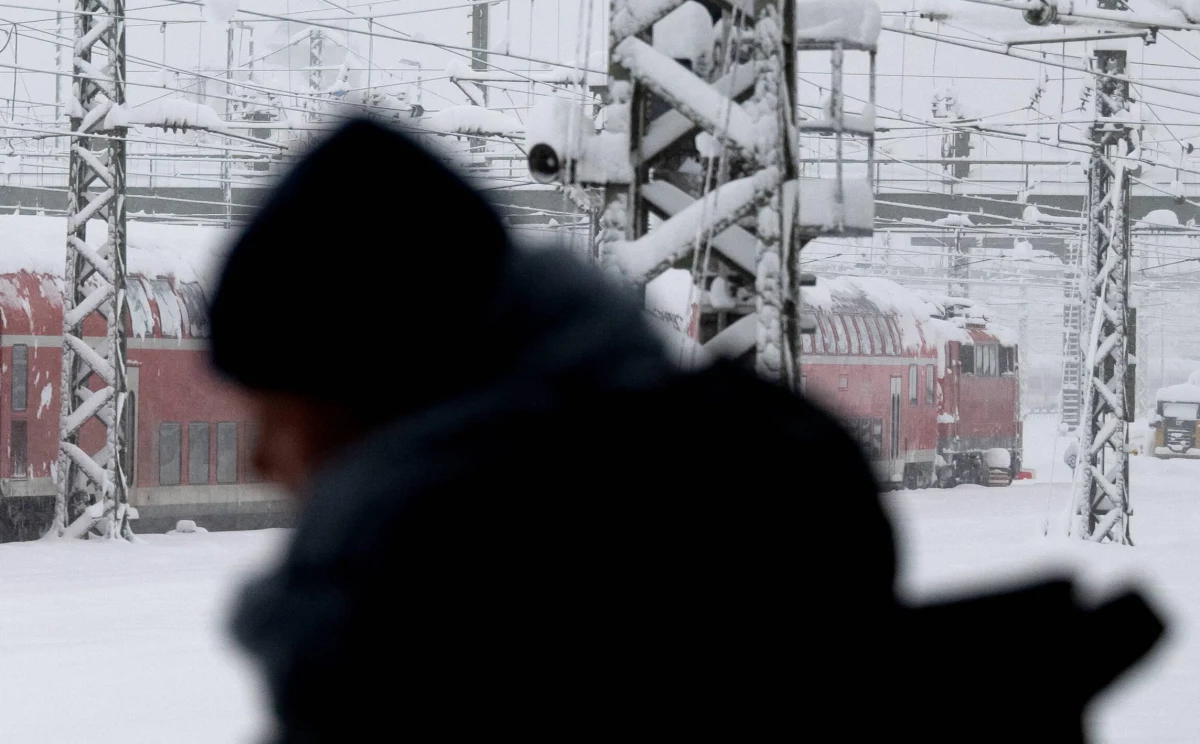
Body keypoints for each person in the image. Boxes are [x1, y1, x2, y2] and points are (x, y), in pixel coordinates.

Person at [211, 119, 1162, 742]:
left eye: (277, 410)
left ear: (386, 386)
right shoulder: (742, 540)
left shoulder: (442, 625)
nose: (260, 454)